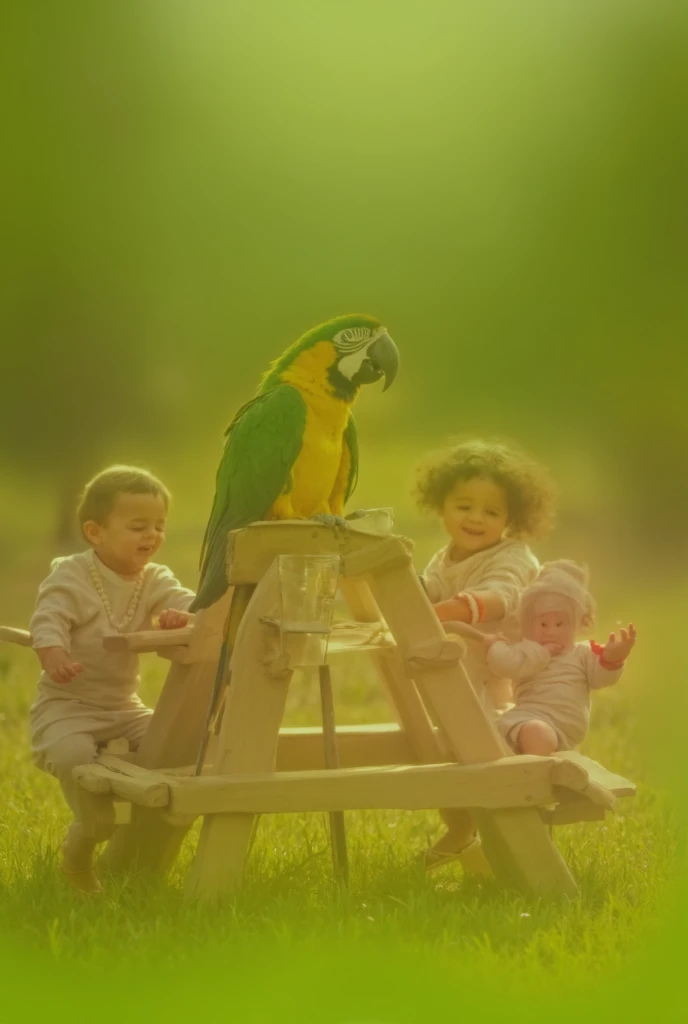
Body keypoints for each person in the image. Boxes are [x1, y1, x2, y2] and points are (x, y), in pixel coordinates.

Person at [30, 465, 195, 894]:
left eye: (159, 526)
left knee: (173, 739)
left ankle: (139, 842)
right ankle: (84, 841)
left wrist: (183, 614)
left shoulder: (154, 577)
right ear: (95, 532)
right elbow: (49, 615)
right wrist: (53, 653)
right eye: (138, 526)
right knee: (72, 755)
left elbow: (185, 600)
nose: (152, 535)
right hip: (69, 706)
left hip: (124, 708)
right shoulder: (72, 574)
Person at [414, 437, 556, 707]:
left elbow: (498, 597)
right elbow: (433, 587)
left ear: (509, 519)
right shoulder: (444, 557)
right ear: (441, 507)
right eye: (464, 507)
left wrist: (433, 615)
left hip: (512, 685)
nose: (476, 518)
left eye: (491, 512)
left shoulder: (513, 558)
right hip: (467, 674)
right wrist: (412, 589)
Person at [485, 559, 636, 754]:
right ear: (529, 623)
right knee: (533, 732)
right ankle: (532, 768)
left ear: (576, 624)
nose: (551, 632)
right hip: (531, 715)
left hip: (567, 725)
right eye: (543, 624)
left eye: (560, 624)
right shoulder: (526, 650)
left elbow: (600, 678)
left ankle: (533, 765)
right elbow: (504, 664)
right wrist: (495, 645)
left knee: (537, 734)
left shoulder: (582, 653)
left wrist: (613, 658)